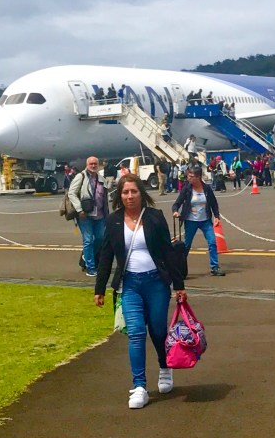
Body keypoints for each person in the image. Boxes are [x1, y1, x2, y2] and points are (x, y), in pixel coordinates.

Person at [94, 174, 187, 409]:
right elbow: (106, 255)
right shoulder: (113, 221)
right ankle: (139, 386)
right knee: (136, 333)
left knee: (158, 330)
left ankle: (164, 368)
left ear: (141, 193)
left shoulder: (154, 217)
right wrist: (100, 288)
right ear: (119, 195)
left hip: (156, 283)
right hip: (130, 285)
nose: (129, 196)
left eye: (134, 191)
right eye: (125, 192)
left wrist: (179, 285)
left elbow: (167, 252)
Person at [173, 165, 225, 277]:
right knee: (186, 245)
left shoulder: (207, 189)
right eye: (188, 176)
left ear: (198, 177)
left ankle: (214, 267)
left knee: (212, 242)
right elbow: (177, 203)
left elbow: (214, 203)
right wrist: (175, 211)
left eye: (191, 176)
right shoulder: (187, 189)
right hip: (190, 221)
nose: (189, 178)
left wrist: (216, 216)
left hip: (205, 220)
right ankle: (180, 268)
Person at [68, 156, 108, 278]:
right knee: (88, 240)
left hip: (100, 215)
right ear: (87, 165)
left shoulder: (101, 178)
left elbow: (105, 197)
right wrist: (79, 209)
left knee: (100, 238)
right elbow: (71, 193)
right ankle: (91, 267)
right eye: (91, 164)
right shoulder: (80, 176)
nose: (93, 166)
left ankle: (86, 256)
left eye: (95, 163)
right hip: (85, 215)